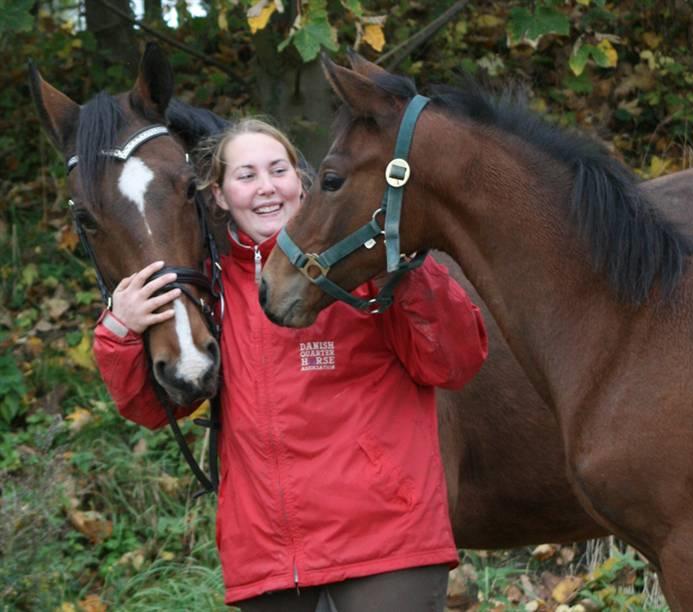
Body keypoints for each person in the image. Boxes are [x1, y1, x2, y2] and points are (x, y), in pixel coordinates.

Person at [93, 118, 488, 611]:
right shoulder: (208, 292)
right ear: (218, 196)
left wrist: (410, 273)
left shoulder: (365, 268)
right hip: (269, 559)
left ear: (301, 182)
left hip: (384, 544)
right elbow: (158, 409)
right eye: (246, 175)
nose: (265, 188)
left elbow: (453, 363)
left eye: (278, 170)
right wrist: (119, 332)